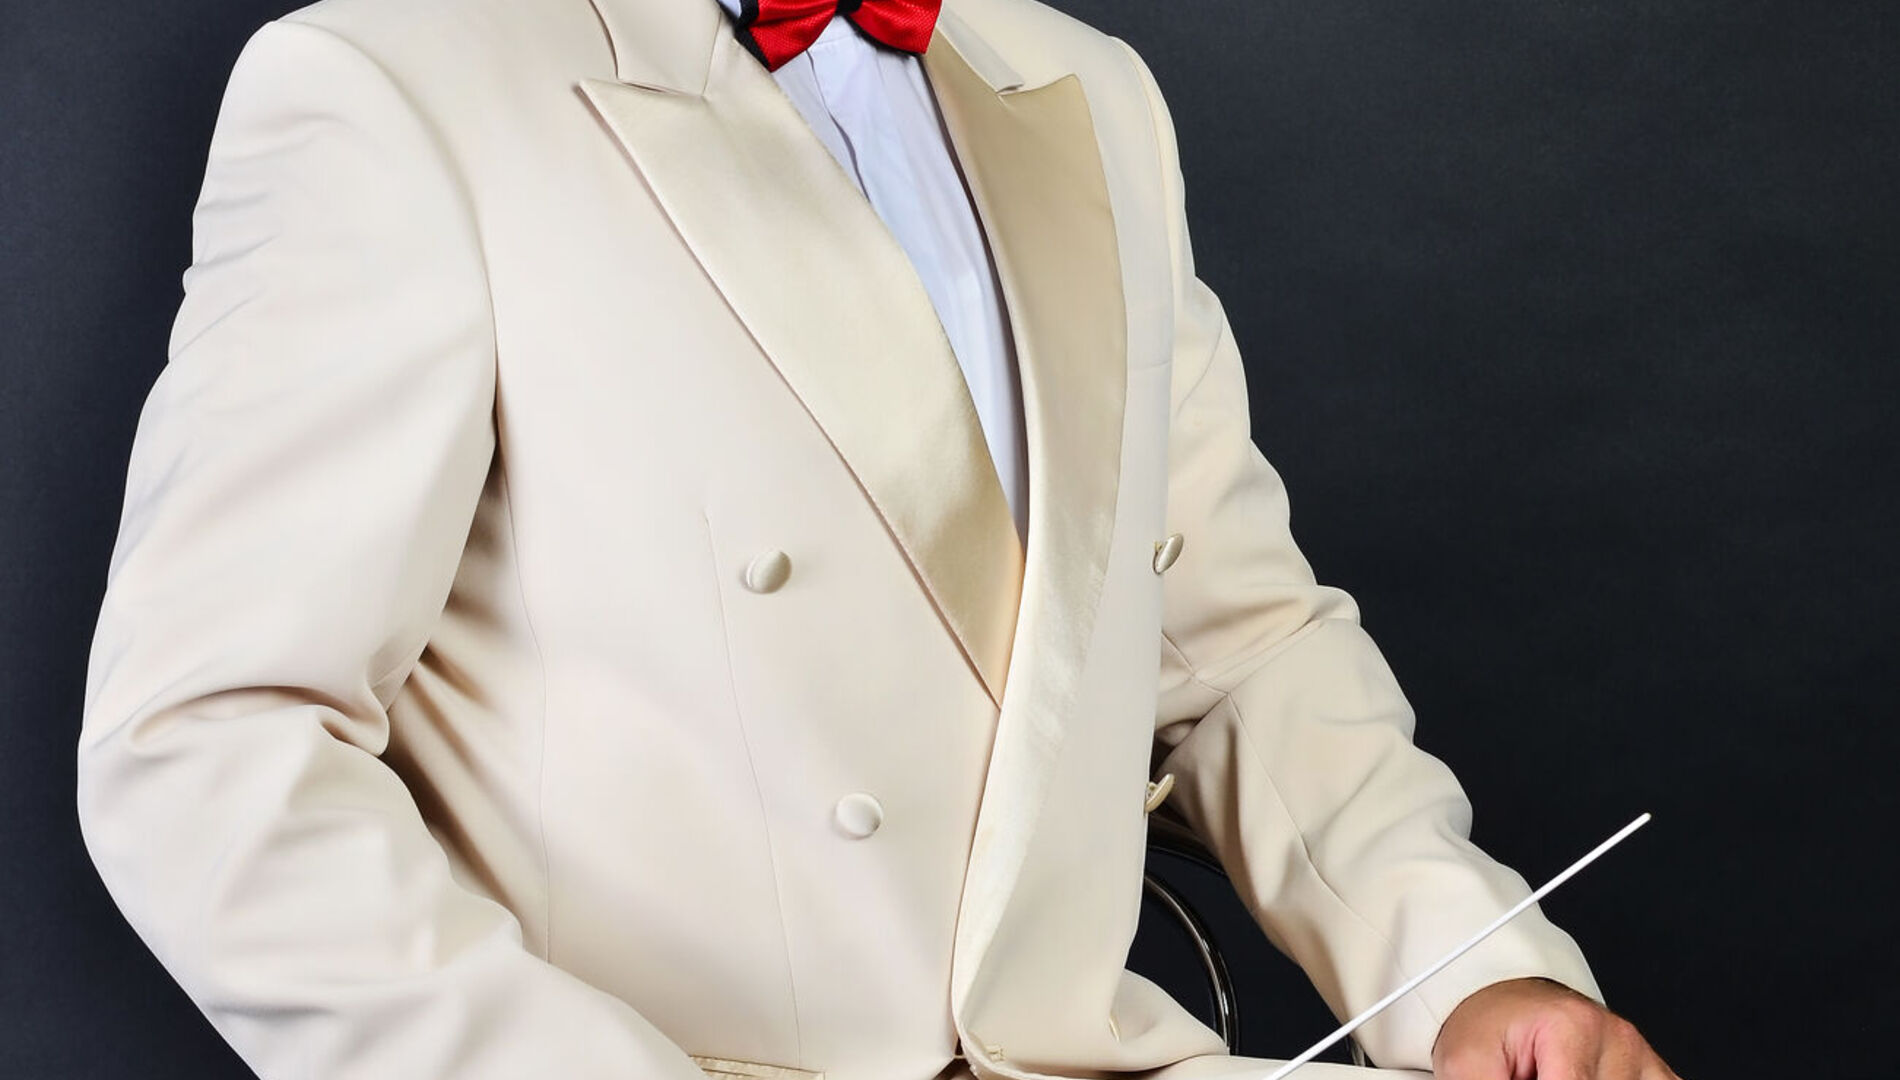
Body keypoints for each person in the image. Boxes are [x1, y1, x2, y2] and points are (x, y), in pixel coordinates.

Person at [75, 0, 1679, 1077]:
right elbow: (207, 745)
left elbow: (1231, 642)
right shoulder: (395, 82)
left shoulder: (1088, 87)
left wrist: (1468, 968)